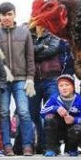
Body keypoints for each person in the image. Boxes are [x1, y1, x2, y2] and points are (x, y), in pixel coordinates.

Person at [0, 2, 36, 155]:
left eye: (9, 14)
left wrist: (30, 78)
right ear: (0, 16)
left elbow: (30, 58)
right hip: (3, 81)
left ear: (15, 15)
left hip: (21, 79)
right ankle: (6, 145)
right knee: (3, 112)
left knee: (24, 112)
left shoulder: (24, 33)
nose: (7, 18)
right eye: (4, 15)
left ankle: (27, 145)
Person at [30, 23, 63, 151]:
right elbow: (26, 51)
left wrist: (34, 51)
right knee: (33, 114)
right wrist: (41, 47)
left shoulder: (54, 32)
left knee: (52, 112)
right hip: (33, 79)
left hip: (51, 78)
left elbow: (52, 50)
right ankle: (41, 144)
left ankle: (53, 145)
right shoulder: (28, 34)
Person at [40, 74, 81, 157]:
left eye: (67, 85)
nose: (64, 88)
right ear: (58, 88)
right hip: (58, 129)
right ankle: (52, 148)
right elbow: (42, 112)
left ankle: (72, 148)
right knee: (49, 118)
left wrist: (74, 120)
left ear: (73, 87)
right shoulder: (54, 98)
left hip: (72, 129)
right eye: (61, 85)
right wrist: (56, 108)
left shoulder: (80, 99)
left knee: (78, 129)